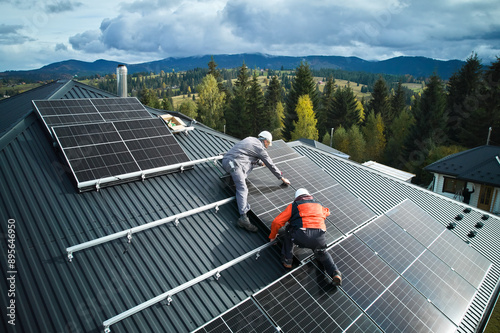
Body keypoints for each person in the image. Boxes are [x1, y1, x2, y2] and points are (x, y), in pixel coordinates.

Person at [269, 188, 342, 286]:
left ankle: (287, 259)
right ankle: (335, 273)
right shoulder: (319, 205)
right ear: (309, 196)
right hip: (319, 239)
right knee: (322, 253)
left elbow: (277, 222)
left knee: (288, 229)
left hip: (302, 236)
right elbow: (327, 212)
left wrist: (272, 236)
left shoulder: (294, 206)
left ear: (297, 198)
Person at [222, 131, 290, 232]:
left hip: (230, 161)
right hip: (234, 163)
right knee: (243, 188)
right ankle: (243, 218)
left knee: (242, 182)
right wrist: (281, 177)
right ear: (265, 141)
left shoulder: (251, 139)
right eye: (268, 144)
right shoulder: (260, 148)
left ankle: (243, 213)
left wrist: (259, 162)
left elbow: (246, 154)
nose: (267, 146)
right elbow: (270, 164)